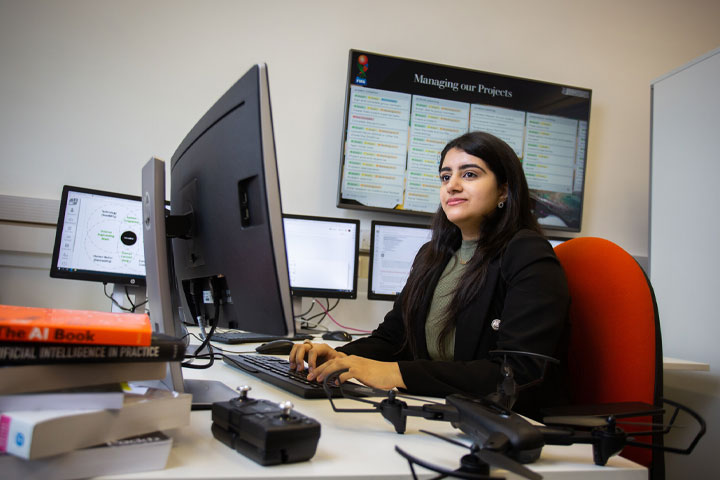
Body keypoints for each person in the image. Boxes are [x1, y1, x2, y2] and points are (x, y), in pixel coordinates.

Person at [289, 131, 570, 418]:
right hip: (438, 410)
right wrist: (342, 356)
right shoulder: (432, 255)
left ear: (503, 191)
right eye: (445, 177)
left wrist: (395, 373)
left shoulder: (526, 253)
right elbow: (393, 339)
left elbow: (515, 373)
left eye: (470, 174)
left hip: (499, 424)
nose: (453, 186)